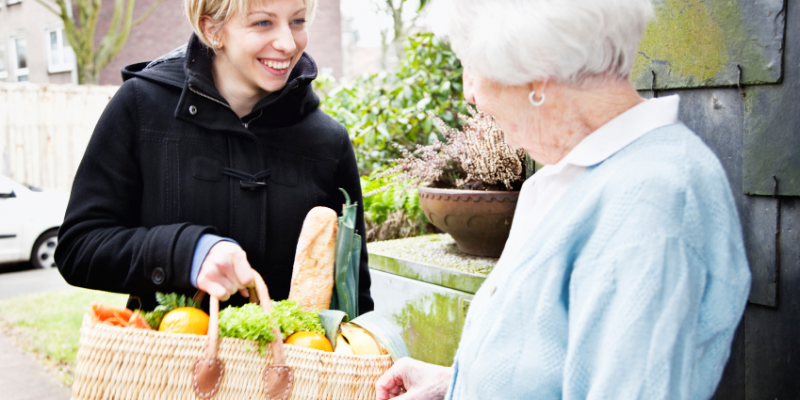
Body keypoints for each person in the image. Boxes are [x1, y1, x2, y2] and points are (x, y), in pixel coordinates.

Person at [376, 0, 751, 399]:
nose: (469, 93)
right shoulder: (583, 173)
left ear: (535, 73)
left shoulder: (652, 204)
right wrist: (454, 384)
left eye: (471, 63)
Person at [55, 0, 373, 313]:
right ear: (212, 29)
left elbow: (354, 292)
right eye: (263, 22)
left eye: (297, 20)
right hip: (167, 362)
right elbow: (79, 247)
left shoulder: (328, 141)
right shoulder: (141, 108)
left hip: (291, 363)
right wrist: (190, 253)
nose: (288, 43)